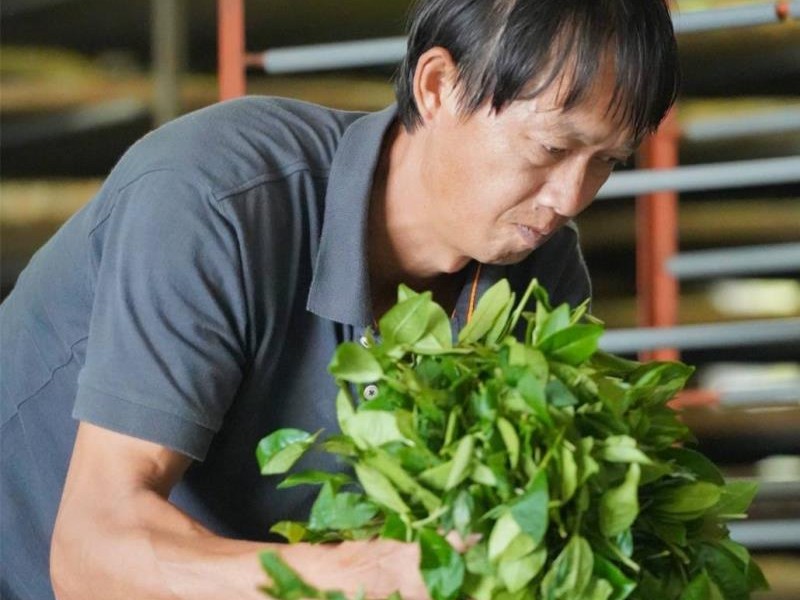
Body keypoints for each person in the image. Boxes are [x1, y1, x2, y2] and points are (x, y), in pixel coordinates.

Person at [0, 0, 679, 598]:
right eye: (552, 146)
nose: (569, 198)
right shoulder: (217, 200)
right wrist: (362, 576)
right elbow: (92, 555)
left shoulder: (538, 277)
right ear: (439, 86)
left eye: (606, 162)